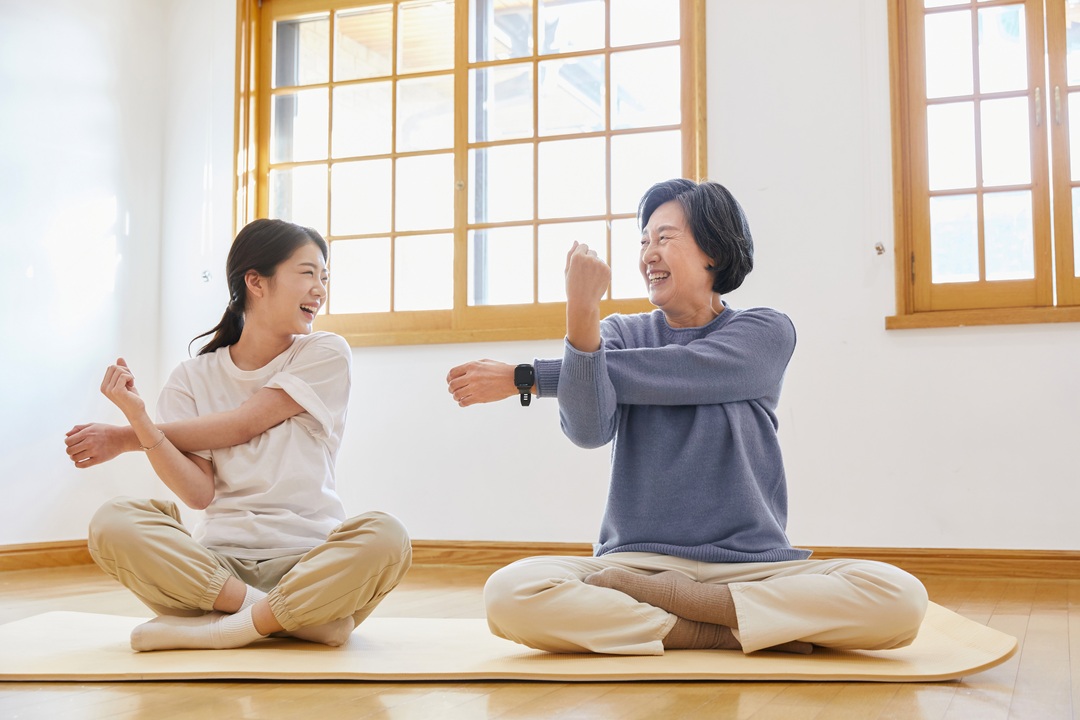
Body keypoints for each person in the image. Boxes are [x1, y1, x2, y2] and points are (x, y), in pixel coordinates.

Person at [446, 179, 927, 656]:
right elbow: (588, 432)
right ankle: (721, 629)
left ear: (713, 252)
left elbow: (686, 372)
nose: (647, 254)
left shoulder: (764, 331)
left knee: (899, 598)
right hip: (633, 568)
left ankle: (686, 611)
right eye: (643, 241)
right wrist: (581, 312)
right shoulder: (619, 334)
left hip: (752, 565)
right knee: (509, 594)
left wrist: (528, 377)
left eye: (664, 238)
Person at [65, 218, 411, 652]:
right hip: (215, 571)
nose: (320, 289)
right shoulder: (191, 378)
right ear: (256, 281)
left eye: (324, 277)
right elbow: (197, 494)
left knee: (386, 536)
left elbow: (246, 421)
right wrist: (138, 417)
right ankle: (284, 618)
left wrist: (126, 436)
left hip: (307, 562)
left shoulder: (324, 353)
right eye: (307, 273)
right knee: (113, 522)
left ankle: (225, 628)